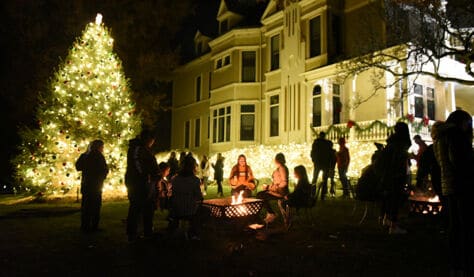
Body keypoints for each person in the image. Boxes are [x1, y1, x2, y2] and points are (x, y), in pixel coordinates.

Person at [433, 110, 473, 276]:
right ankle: (464, 263)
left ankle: (456, 265)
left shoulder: (441, 137)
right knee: (465, 226)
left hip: (449, 185)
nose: (469, 127)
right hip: (462, 184)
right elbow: (459, 160)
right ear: (461, 122)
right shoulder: (455, 135)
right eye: (468, 123)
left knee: (455, 226)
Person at [124, 130, 160, 242]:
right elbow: (138, 164)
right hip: (139, 183)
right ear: (147, 138)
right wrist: (146, 175)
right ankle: (133, 233)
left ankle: (146, 231)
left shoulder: (142, 149)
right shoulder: (138, 149)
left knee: (147, 207)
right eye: (151, 140)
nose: (152, 143)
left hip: (144, 181)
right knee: (137, 207)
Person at [378, 122, 411, 234]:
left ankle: (386, 219)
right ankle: (393, 225)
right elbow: (398, 161)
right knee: (395, 199)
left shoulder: (391, 142)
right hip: (396, 175)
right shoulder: (400, 144)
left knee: (388, 197)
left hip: (387, 175)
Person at [75, 139, 109, 232]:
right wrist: (102, 176)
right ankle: (94, 226)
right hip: (96, 185)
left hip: (86, 184)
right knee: (95, 206)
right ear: (99, 147)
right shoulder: (99, 156)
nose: (103, 149)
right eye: (102, 147)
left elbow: (78, 166)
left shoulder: (85, 155)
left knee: (86, 206)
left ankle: (85, 225)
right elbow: (104, 169)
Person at [167, 155, 203, 239]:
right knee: (205, 211)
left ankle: (177, 230)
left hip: (176, 209)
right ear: (193, 166)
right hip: (189, 210)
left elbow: (172, 194)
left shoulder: (174, 179)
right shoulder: (195, 180)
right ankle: (194, 233)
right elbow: (198, 197)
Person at [257, 152, 289, 224]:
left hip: (280, 192)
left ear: (277, 160)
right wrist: (269, 187)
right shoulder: (280, 168)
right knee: (260, 194)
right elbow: (277, 181)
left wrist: (271, 188)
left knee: (261, 195)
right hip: (276, 190)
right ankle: (270, 213)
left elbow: (284, 182)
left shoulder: (282, 168)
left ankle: (271, 214)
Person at [310, 131, 333, 200]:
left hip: (318, 163)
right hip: (325, 164)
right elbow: (330, 154)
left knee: (315, 178)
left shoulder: (316, 143)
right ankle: (323, 194)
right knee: (324, 180)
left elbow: (312, 152)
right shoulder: (327, 144)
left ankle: (313, 193)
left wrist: (314, 160)